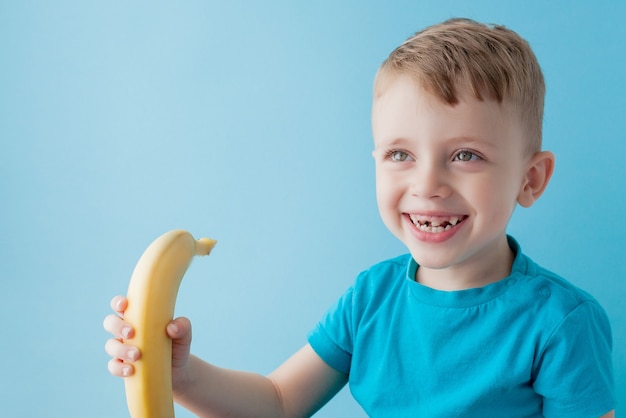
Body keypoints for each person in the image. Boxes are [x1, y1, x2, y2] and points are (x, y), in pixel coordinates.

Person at [104, 18, 615, 417]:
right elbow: (279, 403)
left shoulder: (562, 324)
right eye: (400, 155)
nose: (427, 185)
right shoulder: (371, 298)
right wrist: (183, 375)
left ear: (531, 179)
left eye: (465, 155)